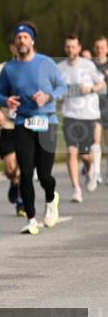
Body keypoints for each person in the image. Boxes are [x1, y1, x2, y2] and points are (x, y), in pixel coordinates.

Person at [0, 22, 67, 235]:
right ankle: (32, 219)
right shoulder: (9, 68)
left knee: (44, 175)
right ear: (15, 43)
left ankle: (51, 199)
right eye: (18, 38)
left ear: (32, 40)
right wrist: (7, 100)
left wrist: (47, 96)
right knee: (25, 173)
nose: (22, 40)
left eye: (25, 37)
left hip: (47, 122)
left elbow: (62, 87)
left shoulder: (46, 63)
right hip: (22, 123)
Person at [56, 34, 106, 202]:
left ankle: (91, 167)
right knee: (71, 152)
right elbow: (55, 90)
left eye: (73, 46)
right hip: (70, 115)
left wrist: (90, 89)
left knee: (85, 155)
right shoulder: (59, 68)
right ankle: (76, 189)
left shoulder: (88, 65)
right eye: (67, 47)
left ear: (79, 48)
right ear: (65, 49)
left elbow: (102, 84)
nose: (70, 50)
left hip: (88, 114)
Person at [0, 40, 25, 216]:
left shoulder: (35, 67)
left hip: (27, 122)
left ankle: (22, 201)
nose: (20, 46)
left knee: (24, 164)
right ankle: (13, 182)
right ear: (11, 47)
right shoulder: (0, 69)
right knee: (10, 168)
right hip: (7, 122)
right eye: (16, 43)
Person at [91, 35, 108, 185]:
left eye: (102, 47)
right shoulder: (89, 65)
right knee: (95, 141)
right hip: (92, 108)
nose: (99, 50)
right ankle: (96, 173)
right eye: (97, 47)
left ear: (107, 49)